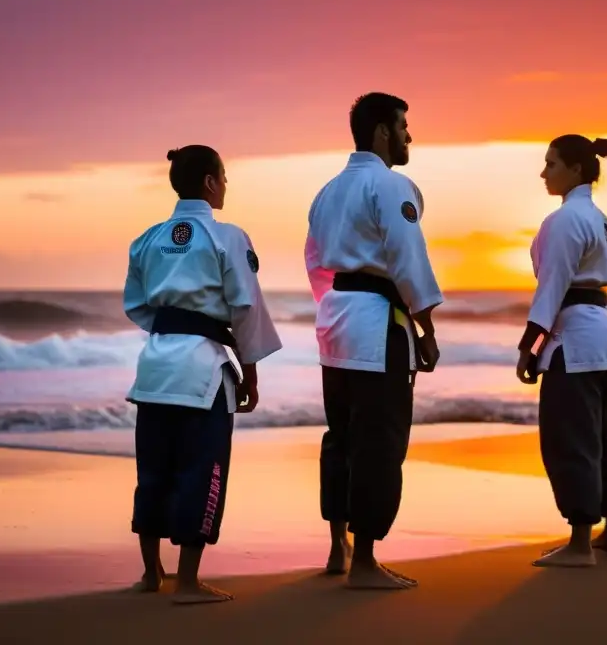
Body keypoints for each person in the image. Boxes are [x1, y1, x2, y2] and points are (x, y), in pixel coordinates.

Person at [123, 144, 282, 604]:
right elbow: (245, 306)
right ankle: (188, 582)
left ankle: (152, 573)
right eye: (225, 176)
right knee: (202, 471)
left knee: (153, 469)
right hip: (203, 370)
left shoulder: (148, 238)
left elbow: (136, 304)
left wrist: (171, 332)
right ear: (211, 182)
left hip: (154, 366)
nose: (227, 184)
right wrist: (250, 373)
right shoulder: (227, 236)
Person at [304, 92, 443, 590]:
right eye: (404, 126)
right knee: (379, 442)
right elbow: (408, 258)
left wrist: (334, 307)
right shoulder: (390, 184)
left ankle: (338, 546)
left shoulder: (326, 191)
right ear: (382, 131)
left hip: (336, 323)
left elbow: (315, 261)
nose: (409, 136)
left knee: (340, 436)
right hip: (378, 326)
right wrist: (425, 328)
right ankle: (364, 561)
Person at [515, 134, 607, 568]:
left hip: (577, 342)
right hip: (605, 339)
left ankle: (581, 542)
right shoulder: (600, 220)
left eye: (551, 163)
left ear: (577, 170)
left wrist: (530, 345)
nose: (544, 172)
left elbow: (552, 287)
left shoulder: (564, 220)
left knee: (571, 439)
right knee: (604, 438)